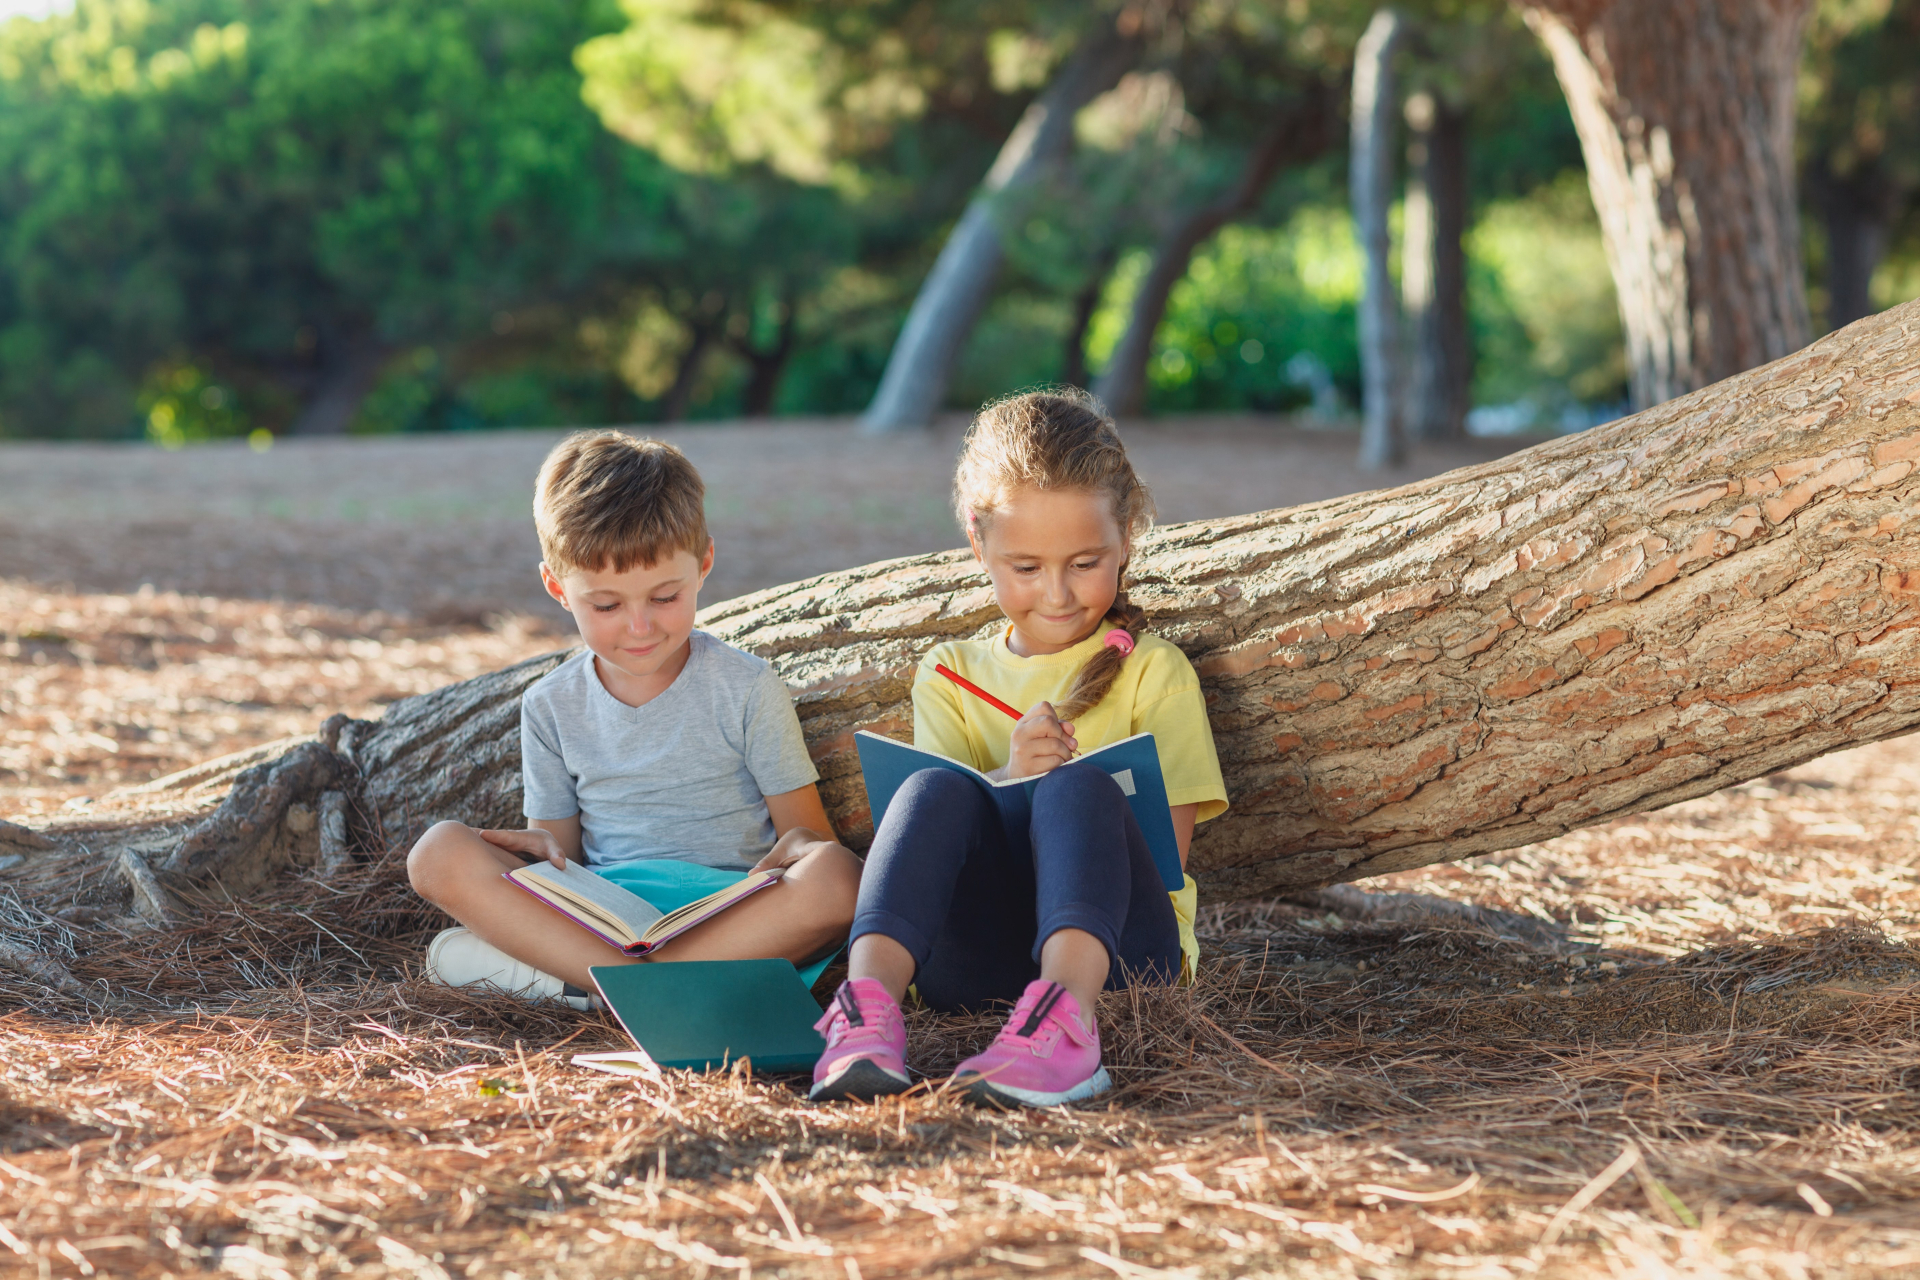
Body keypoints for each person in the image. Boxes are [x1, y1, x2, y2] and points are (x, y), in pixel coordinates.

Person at [811, 390, 1228, 1107]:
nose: (1058, 594)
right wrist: (1005, 774)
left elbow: (1168, 860)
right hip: (973, 962)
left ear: (1126, 537)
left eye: (1085, 563)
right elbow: (937, 836)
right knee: (932, 791)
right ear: (979, 544)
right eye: (1026, 567)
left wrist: (1059, 789)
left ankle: (1064, 1029)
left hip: (1121, 957)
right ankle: (864, 1015)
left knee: (1079, 788)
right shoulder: (949, 673)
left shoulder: (1154, 672)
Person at [408, 431, 861, 1008]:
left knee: (838, 877)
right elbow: (561, 861)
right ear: (557, 587)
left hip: (732, 913)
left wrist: (807, 851)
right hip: (604, 914)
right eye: (607, 606)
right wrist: (532, 851)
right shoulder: (549, 705)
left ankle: (600, 988)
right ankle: (653, 987)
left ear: (704, 567)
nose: (640, 627)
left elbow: (808, 839)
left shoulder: (747, 686)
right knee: (437, 852)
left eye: (665, 597)